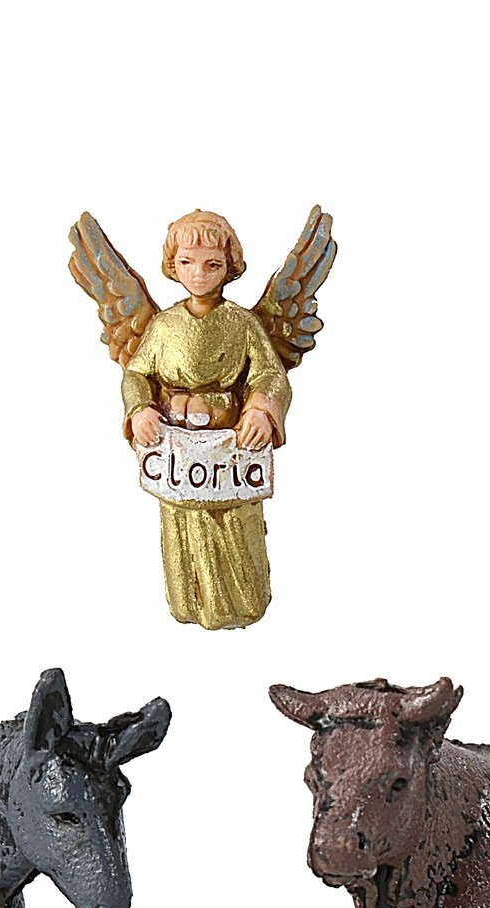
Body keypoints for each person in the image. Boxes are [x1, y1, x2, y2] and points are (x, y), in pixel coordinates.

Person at [121, 210, 291, 630]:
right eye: (187, 262)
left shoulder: (243, 324)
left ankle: (243, 601)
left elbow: (270, 375)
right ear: (173, 265)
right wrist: (140, 409)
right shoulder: (164, 326)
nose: (199, 274)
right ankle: (190, 599)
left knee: (234, 522)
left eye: (212, 264)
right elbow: (137, 373)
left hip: (231, 449)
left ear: (229, 265)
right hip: (177, 450)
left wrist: (260, 411)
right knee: (185, 520)